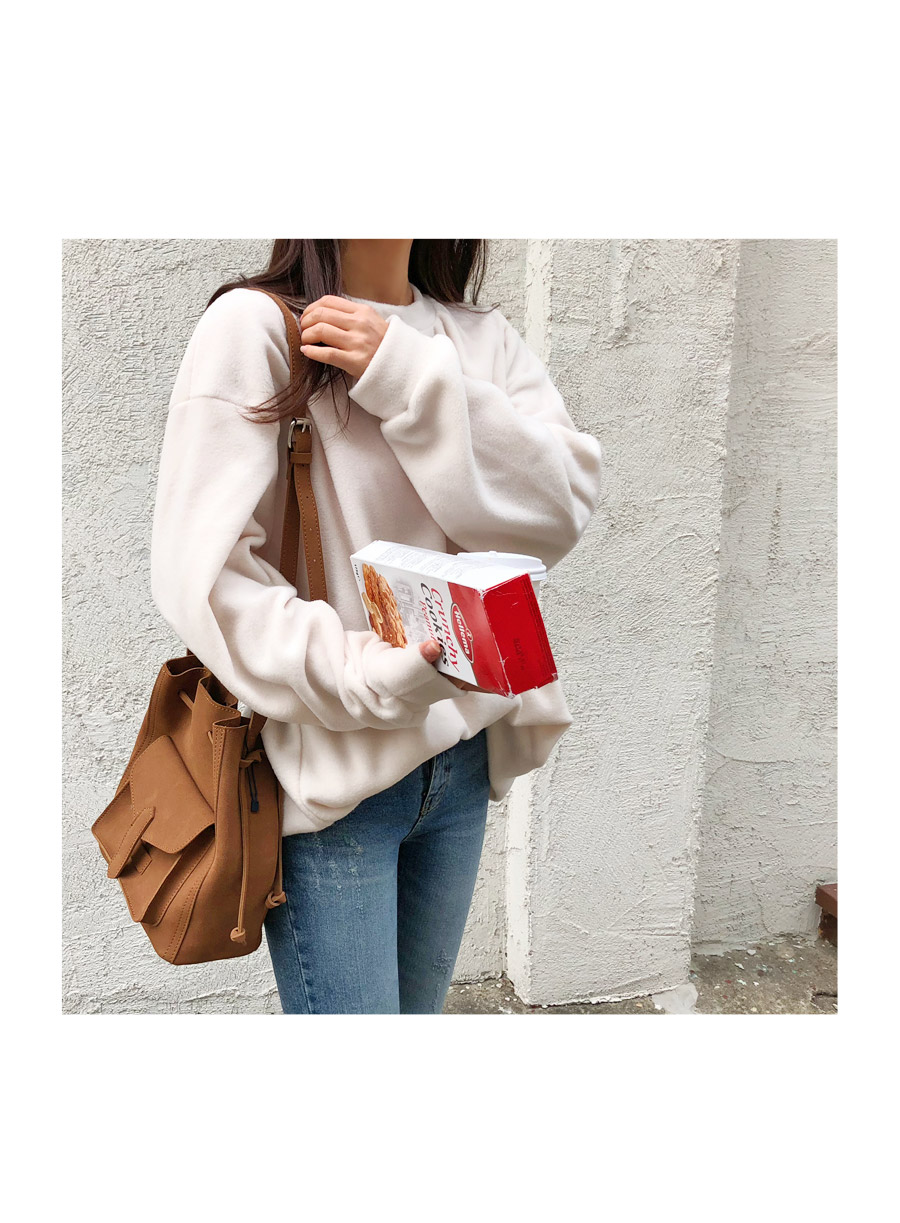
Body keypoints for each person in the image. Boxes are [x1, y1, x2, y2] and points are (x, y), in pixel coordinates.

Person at [150, 239, 603, 1013]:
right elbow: (208, 579)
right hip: (337, 775)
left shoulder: (477, 339)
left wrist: (409, 375)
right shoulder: (257, 329)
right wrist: (366, 673)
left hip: (461, 763)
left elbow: (560, 508)